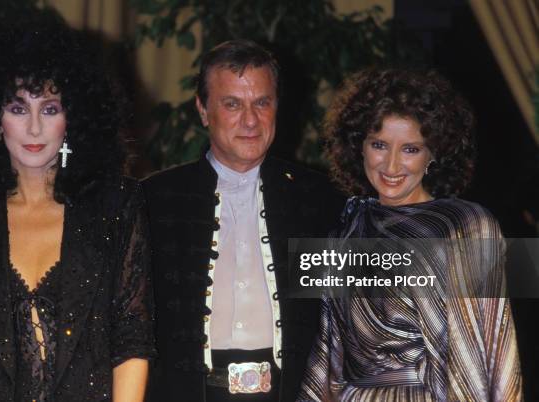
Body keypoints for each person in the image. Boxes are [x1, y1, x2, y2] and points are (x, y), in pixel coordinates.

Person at [0, 16, 155, 402]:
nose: (34, 128)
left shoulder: (117, 206)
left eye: (49, 109)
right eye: (18, 109)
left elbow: (132, 339)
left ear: (73, 118)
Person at [297, 69, 522, 401]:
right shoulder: (346, 228)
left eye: (410, 149)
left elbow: (483, 357)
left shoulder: (466, 227)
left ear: (433, 153)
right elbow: (327, 354)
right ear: (358, 146)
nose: (391, 165)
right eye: (379, 145)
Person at [142, 40, 345, 402]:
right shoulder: (154, 202)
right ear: (203, 110)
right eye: (232, 104)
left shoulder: (319, 200)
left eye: (262, 103)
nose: (250, 120)